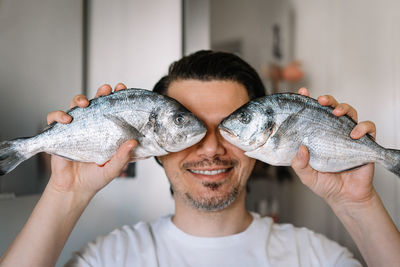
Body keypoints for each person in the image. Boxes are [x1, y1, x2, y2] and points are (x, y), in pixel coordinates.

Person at [0, 50, 399, 267]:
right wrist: (64, 193)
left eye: (228, 127)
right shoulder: (110, 258)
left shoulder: (316, 257)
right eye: (189, 126)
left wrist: (357, 203)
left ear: (263, 148)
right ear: (153, 149)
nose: (210, 148)